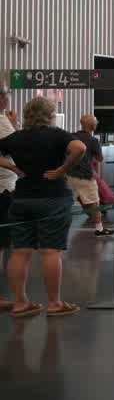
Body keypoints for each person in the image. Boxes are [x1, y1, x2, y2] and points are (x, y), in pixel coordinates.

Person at [0, 96, 86, 317]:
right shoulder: (57, 135)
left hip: (22, 198)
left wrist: (13, 168)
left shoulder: (16, 138)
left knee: (20, 252)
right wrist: (62, 169)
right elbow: (79, 147)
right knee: (50, 251)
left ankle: (20, 303)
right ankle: (54, 303)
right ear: (49, 115)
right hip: (53, 197)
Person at [67, 115, 114, 237]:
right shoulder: (93, 140)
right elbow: (100, 158)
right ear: (93, 126)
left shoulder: (71, 136)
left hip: (69, 174)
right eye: (95, 122)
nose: (96, 124)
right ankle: (99, 228)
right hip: (85, 175)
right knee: (94, 201)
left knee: (76, 197)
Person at [0, 90, 17, 292]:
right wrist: (13, 123)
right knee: (3, 239)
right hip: (4, 186)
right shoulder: (2, 121)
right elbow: (15, 146)